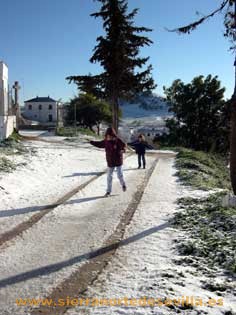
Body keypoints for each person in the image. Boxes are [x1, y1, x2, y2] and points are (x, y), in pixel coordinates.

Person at [90, 127, 127, 197]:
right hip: (110, 161)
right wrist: (91, 142)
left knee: (119, 175)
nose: (108, 137)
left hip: (118, 160)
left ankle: (123, 185)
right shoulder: (106, 141)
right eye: (107, 136)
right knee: (109, 177)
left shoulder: (118, 140)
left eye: (109, 136)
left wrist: (123, 150)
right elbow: (99, 144)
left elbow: (124, 146)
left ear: (113, 135)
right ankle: (108, 191)